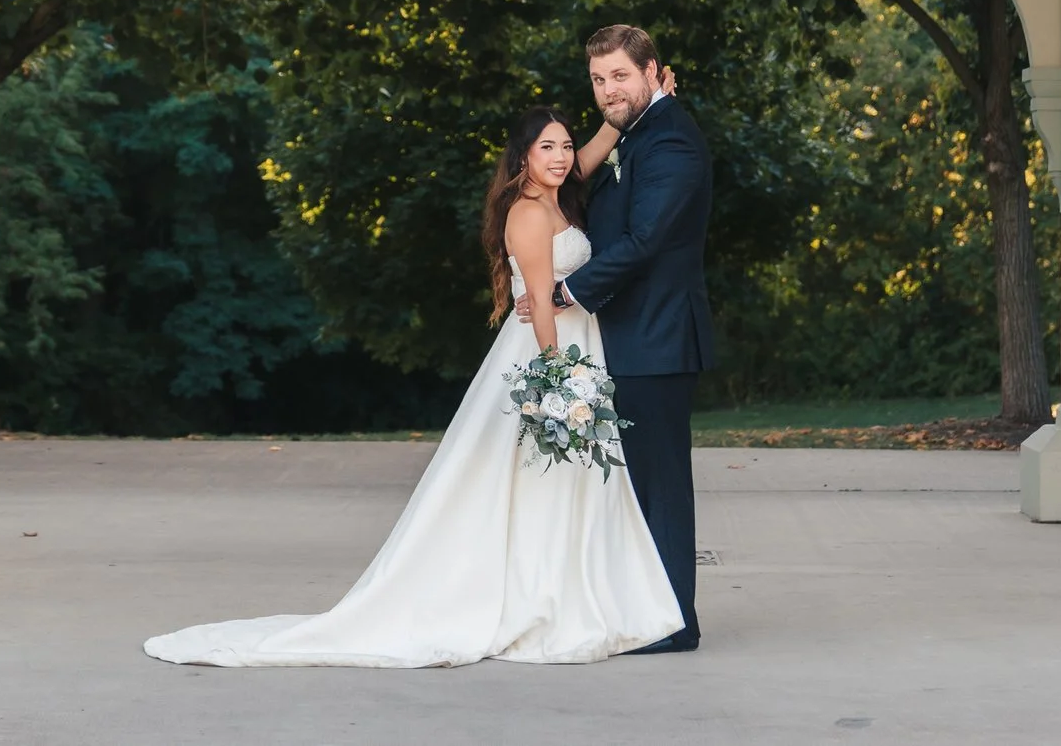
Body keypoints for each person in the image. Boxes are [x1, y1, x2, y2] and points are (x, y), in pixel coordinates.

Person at [141, 104, 683, 667]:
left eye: (565, 146)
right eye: (547, 147)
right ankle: (538, 598)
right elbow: (542, 303)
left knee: (564, 485)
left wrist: (631, 112)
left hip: (578, 347)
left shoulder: (558, 196)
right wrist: (559, 380)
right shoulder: (526, 213)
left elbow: (589, 158)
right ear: (522, 156)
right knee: (537, 481)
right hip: (549, 356)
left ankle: (574, 593)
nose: (562, 156)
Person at [545, 23, 713, 653]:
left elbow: (645, 242)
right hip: (633, 336)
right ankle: (648, 611)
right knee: (639, 486)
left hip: (658, 337)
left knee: (660, 486)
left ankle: (674, 624)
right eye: (598, 79)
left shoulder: (670, 143)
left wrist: (568, 293)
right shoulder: (640, 131)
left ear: (652, 71)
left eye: (619, 75)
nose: (608, 89)